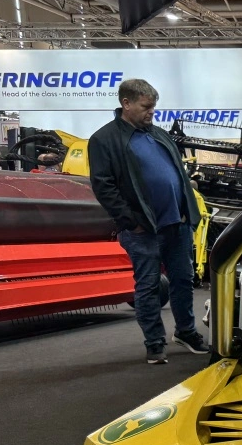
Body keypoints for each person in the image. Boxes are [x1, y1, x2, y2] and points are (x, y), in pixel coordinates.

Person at [88, 78, 208, 364]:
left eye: (153, 107)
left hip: (176, 224)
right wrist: (131, 221)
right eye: (146, 107)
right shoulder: (104, 139)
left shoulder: (158, 134)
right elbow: (103, 186)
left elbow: (177, 172)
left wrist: (187, 212)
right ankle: (154, 342)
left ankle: (186, 332)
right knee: (149, 285)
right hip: (143, 230)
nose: (151, 112)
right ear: (126, 103)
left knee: (183, 280)